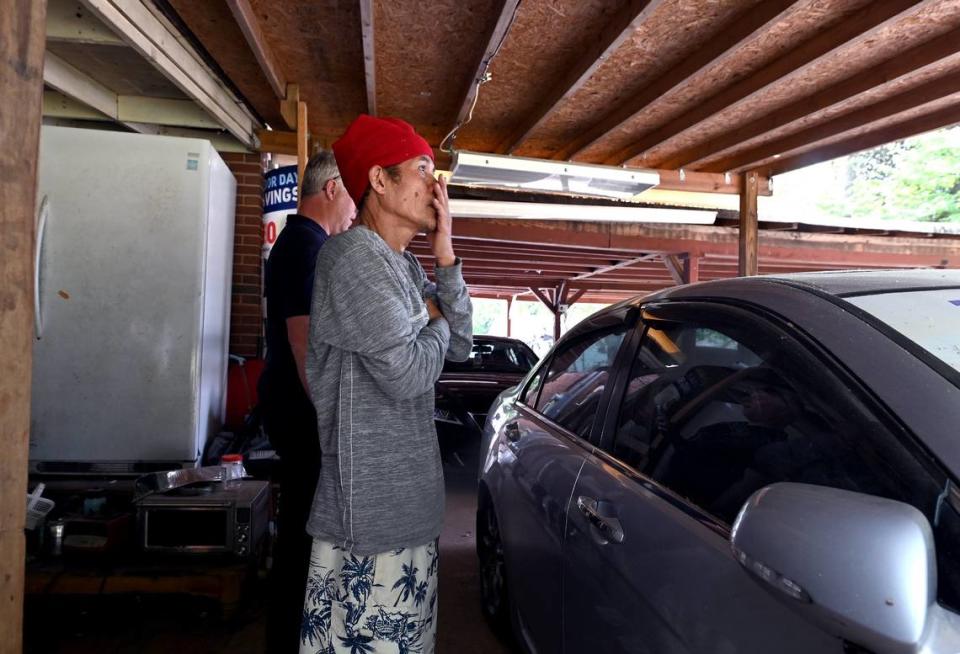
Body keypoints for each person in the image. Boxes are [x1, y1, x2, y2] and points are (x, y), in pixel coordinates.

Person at [298, 115, 472, 654]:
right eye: (422, 168)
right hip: (367, 518)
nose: (436, 187)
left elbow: (461, 345)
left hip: (409, 507)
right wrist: (434, 320)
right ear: (378, 180)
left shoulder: (406, 265)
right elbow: (407, 374)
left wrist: (445, 258)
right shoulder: (351, 258)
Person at [259, 151, 356, 653]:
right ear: (333, 188)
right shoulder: (305, 247)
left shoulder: (304, 243)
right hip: (302, 414)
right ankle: (292, 639)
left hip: (291, 408)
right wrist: (330, 418)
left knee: (303, 529)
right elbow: (304, 342)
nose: (354, 215)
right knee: (304, 534)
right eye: (352, 202)